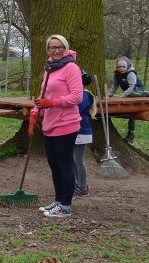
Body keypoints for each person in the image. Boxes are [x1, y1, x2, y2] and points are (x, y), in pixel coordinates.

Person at [28, 35, 83, 218]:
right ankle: (58, 200)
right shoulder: (49, 68)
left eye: (60, 47)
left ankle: (66, 206)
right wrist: (37, 111)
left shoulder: (71, 68)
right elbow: (43, 94)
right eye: (53, 47)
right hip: (50, 123)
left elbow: (77, 97)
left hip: (66, 123)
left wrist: (51, 103)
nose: (57, 50)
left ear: (66, 48)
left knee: (65, 165)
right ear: (48, 50)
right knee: (54, 165)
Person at [109, 55, 149, 142]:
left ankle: (148, 94)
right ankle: (131, 132)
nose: (121, 68)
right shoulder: (117, 74)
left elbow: (132, 87)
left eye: (123, 67)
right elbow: (115, 85)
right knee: (131, 111)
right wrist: (111, 94)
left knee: (133, 96)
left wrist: (123, 95)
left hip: (137, 90)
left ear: (127, 66)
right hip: (128, 93)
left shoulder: (131, 73)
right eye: (119, 67)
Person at [74, 71, 97, 197]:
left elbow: (77, 109)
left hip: (82, 131)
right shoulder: (78, 94)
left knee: (78, 160)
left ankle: (83, 186)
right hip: (73, 131)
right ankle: (77, 184)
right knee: (72, 160)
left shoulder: (84, 95)